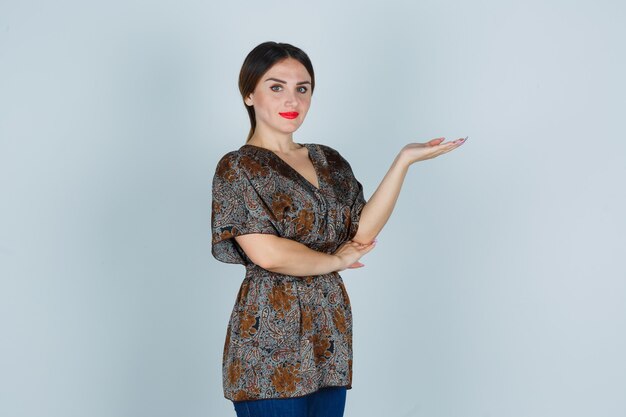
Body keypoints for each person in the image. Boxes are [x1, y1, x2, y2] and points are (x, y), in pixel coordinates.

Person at [211, 41, 466, 417]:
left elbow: (361, 233)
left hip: (328, 335)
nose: (292, 100)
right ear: (249, 93)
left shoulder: (328, 160)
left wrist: (403, 162)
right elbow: (269, 254)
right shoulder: (237, 168)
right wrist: (335, 260)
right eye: (276, 86)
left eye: (303, 88)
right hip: (268, 346)